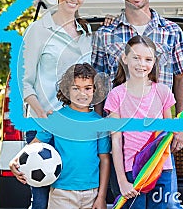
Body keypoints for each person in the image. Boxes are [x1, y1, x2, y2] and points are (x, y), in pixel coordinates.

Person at [91, 0, 183, 206]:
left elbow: (182, 77)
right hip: (124, 143)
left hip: (158, 140)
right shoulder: (105, 34)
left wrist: (179, 126)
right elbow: (99, 85)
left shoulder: (172, 31)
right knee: (129, 200)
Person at [15, 0, 92, 209]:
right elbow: (23, 82)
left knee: (76, 198)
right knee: (41, 201)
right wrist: (42, 113)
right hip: (43, 127)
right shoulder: (37, 30)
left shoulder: (86, 33)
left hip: (78, 129)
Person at [11, 63, 111, 209]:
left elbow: (105, 159)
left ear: (95, 91)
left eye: (88, 88)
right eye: (76, 88)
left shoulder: (99, 123)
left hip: (92, 194)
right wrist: (14, 160)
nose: (82, 93)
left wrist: (101, 197)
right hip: (61, 194)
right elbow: (35, 145)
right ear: (66, 90)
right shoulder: (56, 119)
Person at [104, 35, 177, 208]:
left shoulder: (163, 92)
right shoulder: (116, 95)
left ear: (154, 62)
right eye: (136, 57)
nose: (141, 64)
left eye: (148, 59)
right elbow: (116, 139)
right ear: (125, 58)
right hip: (132, 170)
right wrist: (122, 181)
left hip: (161, 168)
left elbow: (169, 132)